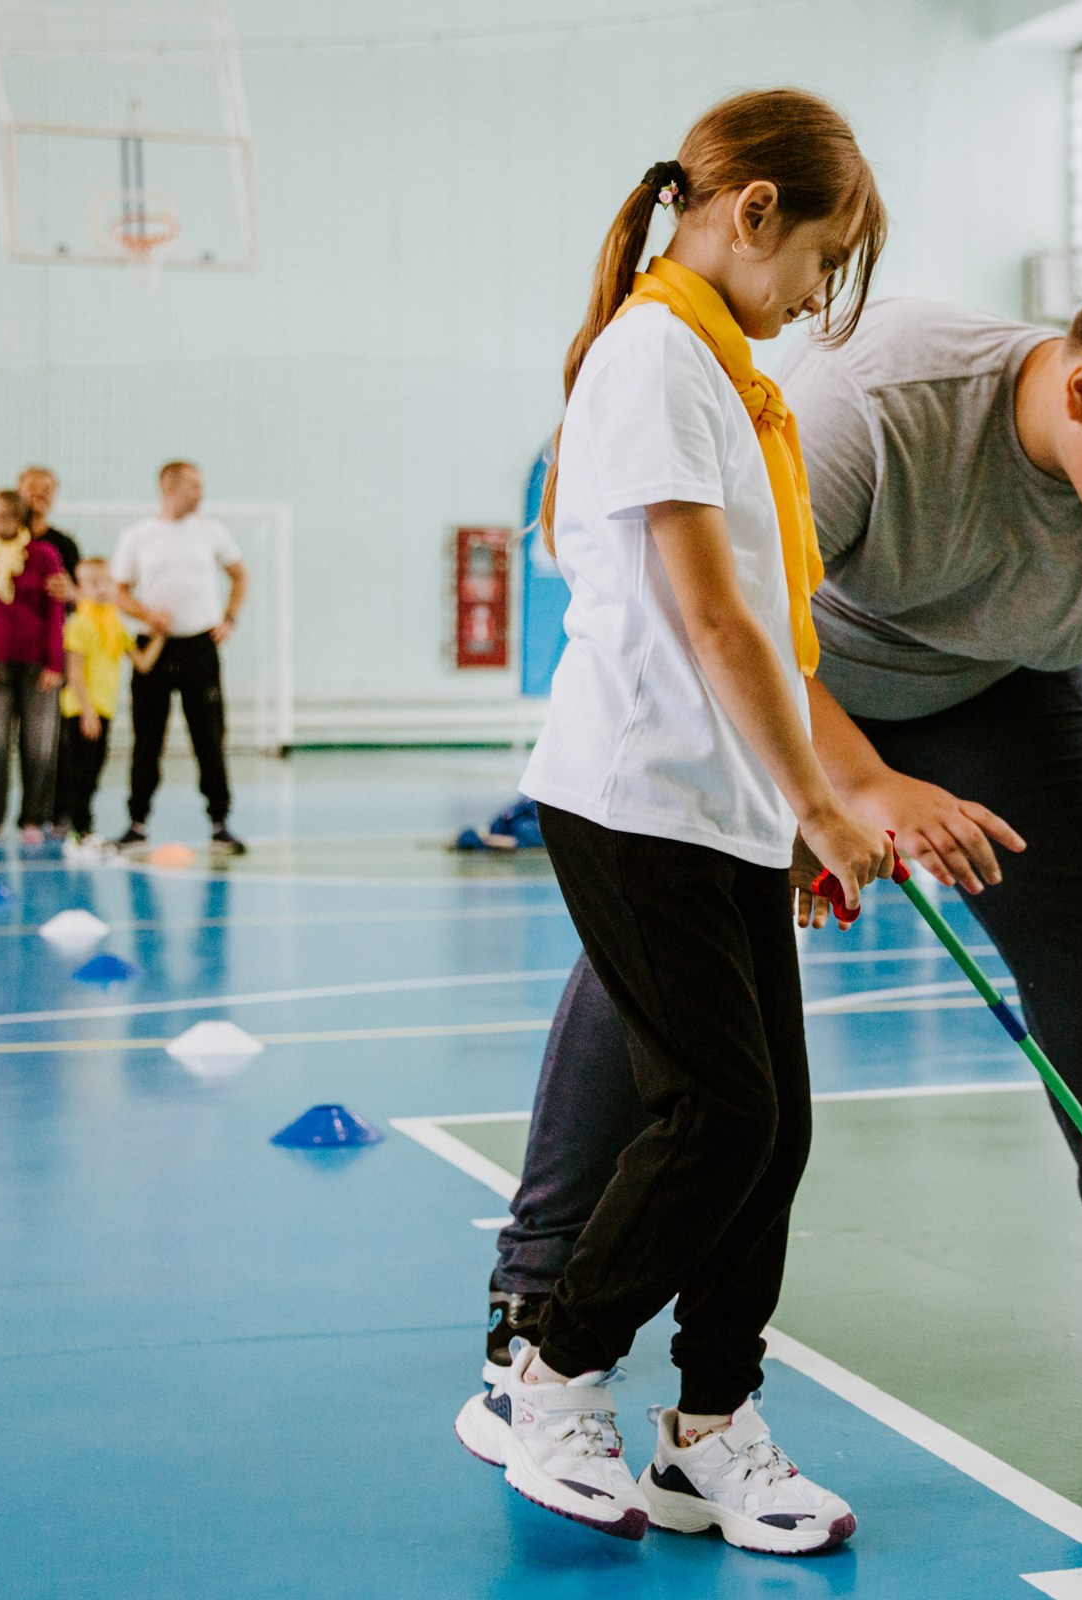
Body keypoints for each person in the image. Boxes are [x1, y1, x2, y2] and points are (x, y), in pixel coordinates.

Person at [488, 263, 1082, 1388]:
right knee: (665, 948)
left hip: (1007, 688)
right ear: (1081, 391)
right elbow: (728, 621)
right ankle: (536, 1281)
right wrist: (851, 790)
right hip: (792, 675)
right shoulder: (878, 408)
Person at [458, 90, 893, 1553]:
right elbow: (711, 618)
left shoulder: (724, 373)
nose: (818, 297)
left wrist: (783, 815)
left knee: (775, 1133)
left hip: (719, 809)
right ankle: (553, 1375)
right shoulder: (654, 357)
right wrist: (829, 805)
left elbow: (763, 619)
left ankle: (711, 1428)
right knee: (720, 1113)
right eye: (821, 261)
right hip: (631, 796)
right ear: (751, 209)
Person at [111, 461, 247, 855]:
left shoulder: (212, 532)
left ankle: (220, 822)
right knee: (147, 738)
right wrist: (146, 614)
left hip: (200, 647)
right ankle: (137, 823)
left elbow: (240, 575)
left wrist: (230, 618)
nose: (201, 493)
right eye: (193, 485)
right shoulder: (138, 536)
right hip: (154, 647)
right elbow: (119, 591)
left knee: (209, 737)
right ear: (169, 488)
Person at [0, 490, 67, 848]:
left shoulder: (44, 556)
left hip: (39, 667)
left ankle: (33, 817)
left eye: (2, 512)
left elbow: (56, 612)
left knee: (39, 746)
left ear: (17, 517)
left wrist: (55, 663)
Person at [56, 556, 160, 854]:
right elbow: (73, 672)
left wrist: (161, 634)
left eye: (105, 582)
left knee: (94, 770)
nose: (101, 589)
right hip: (81, 709)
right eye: (92, 584)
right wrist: (87, 711)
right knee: (80, 772)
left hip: (104, 709)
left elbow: (142, 663)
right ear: (81, 588)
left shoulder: (115, 623)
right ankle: (78, 831)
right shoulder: (81, 623)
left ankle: (84, 828)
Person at [17, 466, 80, 604]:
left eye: (47, 489)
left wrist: (72, 593)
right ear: (18, 492)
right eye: (32, 487)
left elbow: (84, 594)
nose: (39, 493)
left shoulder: (66, 545)